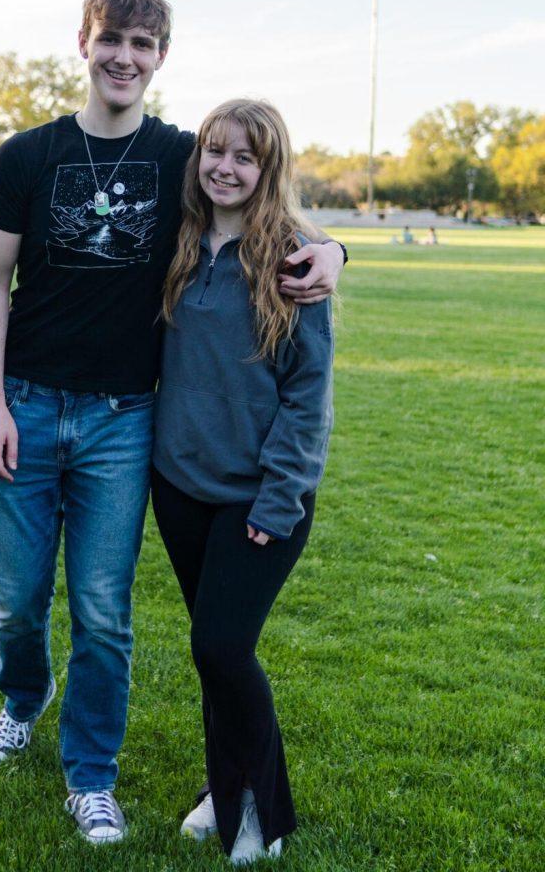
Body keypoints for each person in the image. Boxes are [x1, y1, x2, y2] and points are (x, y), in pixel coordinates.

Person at [0, 0, 346, 844]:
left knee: (104, 608)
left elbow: (261, 190)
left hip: (122, 421)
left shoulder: (179, 152)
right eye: (113, 41)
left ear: (160, 58)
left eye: (143, 46)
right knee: (17, 601)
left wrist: (332, 249)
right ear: (84, 42)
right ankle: (23, 700)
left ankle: (91, 775)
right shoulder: (25, 155)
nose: (125, 59)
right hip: (24, 404)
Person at [151, 98, 334, 864]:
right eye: (214, 152)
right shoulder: (180, 240)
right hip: (180, 487)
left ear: (268, 168)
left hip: (261, 499)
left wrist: (279, 497)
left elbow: (308, 394)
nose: (225, 167)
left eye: (244, 157)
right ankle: (220, 793)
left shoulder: (293, 257)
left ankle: (264, 812)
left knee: (224, 647)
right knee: (211, 651)